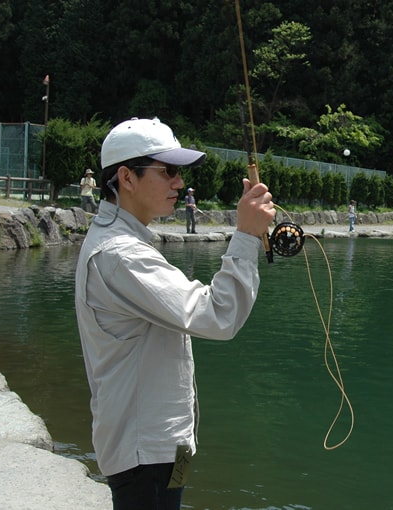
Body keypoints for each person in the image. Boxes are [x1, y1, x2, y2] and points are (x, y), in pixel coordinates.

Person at [74, 117, 275, 509]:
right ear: (126, 178)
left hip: (162, 446)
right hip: (145, 453)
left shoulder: (123, 242)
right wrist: (247, 235)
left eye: (179, 172)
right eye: (167, 171)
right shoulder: (121, 255)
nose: (179, 183)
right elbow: (218, 315)